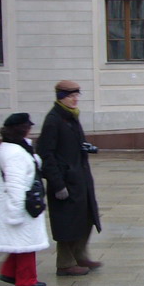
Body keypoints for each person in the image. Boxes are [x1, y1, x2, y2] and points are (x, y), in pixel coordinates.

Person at [37, 81, 102, 276]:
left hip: (79, 178)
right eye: (70, 96)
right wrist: (57, 184)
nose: (75, 99)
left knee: (86, 217)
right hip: (65, 180)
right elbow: (45, 154)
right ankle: (65, 263)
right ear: (60, 97)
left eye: (76, 95)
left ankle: (79, 256)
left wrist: (85, 146)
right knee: (67, 222)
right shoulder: (54, 120)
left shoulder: (71, 117)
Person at [0, 113, 50, 286]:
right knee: (25, 243)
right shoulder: (14, 152)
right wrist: (16, 212)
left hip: (22, 201)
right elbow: (15, 183)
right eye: (28, 127)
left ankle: (9, 272)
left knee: (21, 241)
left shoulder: (14, 147)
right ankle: (26, 280)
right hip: (21, 203)